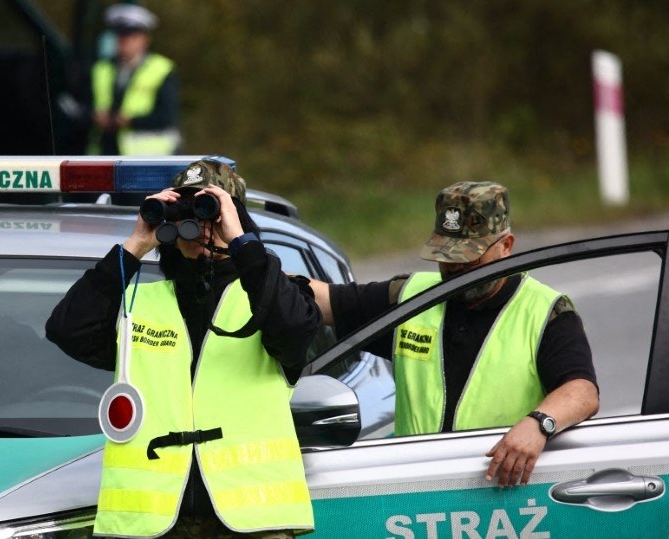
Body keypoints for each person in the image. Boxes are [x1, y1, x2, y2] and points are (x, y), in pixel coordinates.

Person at [46, 160, 319, 538]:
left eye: (209, 209)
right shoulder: (140, 303)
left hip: (253, 523)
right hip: (152, 526)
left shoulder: (271, 297)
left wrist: (242, 243)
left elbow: (293, 330)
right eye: (185, 208)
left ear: (232, 217)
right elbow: (68, 329)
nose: (198, 222)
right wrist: (136, 246)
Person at [310, 181, 600, 488]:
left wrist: (539, 424)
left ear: (506, 246)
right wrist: (256, 266)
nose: (455, 268)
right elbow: (321, 300)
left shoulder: (544, 312)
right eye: (446, 256)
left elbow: (582, 391)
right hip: (417, 494)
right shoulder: (410, 296)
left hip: (501, 497)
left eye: (469, 257)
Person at [86, 3, 181, 155]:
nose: (124, 42)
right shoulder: (101, 68)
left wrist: (130, 120)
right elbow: (83, 107)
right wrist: (95, 116)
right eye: (120, 36)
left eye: (131, 36)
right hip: (106, 151)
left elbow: (167, 116)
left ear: (144, 39)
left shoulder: (161, 69)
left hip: (148, 157)